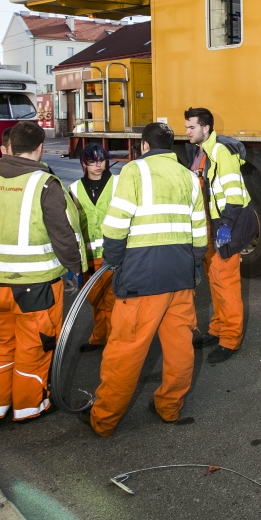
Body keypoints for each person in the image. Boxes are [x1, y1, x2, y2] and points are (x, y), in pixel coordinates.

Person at [88, 122, 206, 436]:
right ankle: (170, 408)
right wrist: (192, 269)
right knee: (180, 348)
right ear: (172, 147)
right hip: (180, 279)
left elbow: (115, 226)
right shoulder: (190, 177)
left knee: (125, 351)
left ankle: (104, 419)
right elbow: (200, 233)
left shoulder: (133, 172)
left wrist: (112, 262)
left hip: (141, 279)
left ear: (144, 146)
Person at [0, 121, 85, 425]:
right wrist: (75, 268)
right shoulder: (43, 183)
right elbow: (64, 233)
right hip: (36, 288)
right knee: (34, 348)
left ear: (8, 146)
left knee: (2, 348)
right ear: (40, 148)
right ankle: (30, 407)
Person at [184, 107, 249, 364]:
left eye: (191, 127)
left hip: (224, 229)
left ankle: (231, 339)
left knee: (226, 285)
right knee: (215, 282)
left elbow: (234, 193)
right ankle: (217, 329)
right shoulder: (202, 152)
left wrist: (227, 224)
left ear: (206, 128)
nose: (187, 131)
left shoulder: (221, 151)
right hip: (210, 228)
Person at [70, 143, 116, 351]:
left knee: (113, 300)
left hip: (113, 254)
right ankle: (100, 337)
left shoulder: (117, 184)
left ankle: (114, 340)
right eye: (92, 162)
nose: (98, 165)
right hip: (88, 256)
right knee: (96, 300)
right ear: (84, 164)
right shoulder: (73, 189)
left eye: (101, 160)